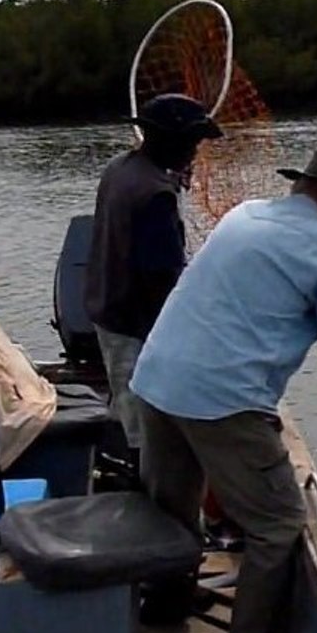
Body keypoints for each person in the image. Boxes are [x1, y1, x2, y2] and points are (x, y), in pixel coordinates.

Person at [129, 148, 317, 633]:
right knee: (278, 524)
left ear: (300, 185)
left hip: (157, 379)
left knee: (170, 506)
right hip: (223, 400)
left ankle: (163, 604)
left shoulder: (243, 214)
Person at [84, 92, 223, 453]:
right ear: (171, 141)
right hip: (131, 324)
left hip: (106, 310)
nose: (195, 151)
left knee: (124, 400)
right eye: (192, 142)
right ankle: (140, 492)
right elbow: (162, 280)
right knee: (142, 427)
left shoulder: (120, 168)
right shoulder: (155, 196)